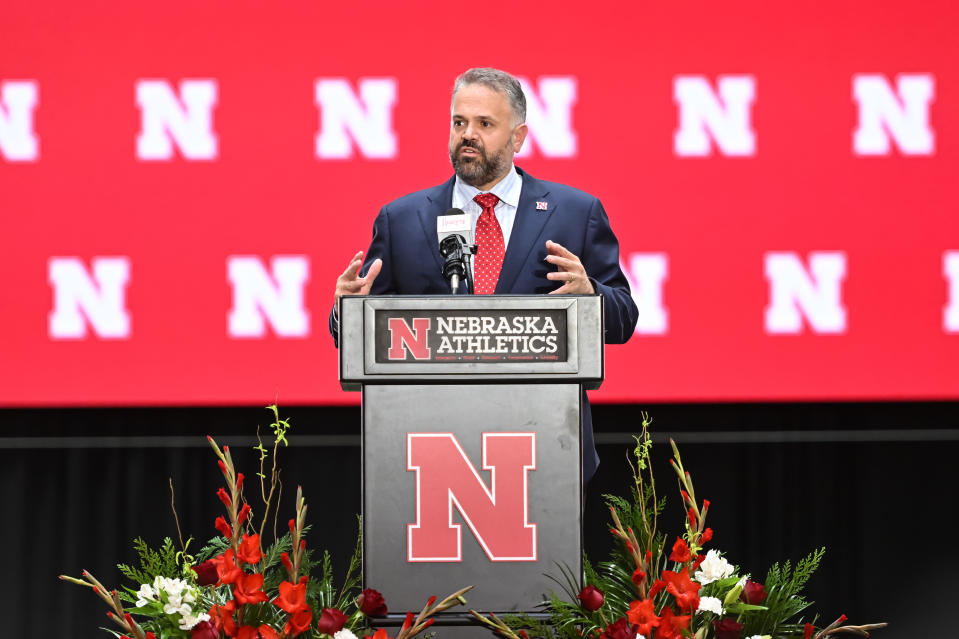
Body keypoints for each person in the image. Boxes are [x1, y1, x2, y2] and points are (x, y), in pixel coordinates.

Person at [329, 67, 638, 482]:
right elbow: (358, 332)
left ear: (518, 138)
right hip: (429, 453)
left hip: (544, 449)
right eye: (459, 122)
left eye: (484, 124)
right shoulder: (401, 220)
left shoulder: (575, 214)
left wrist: (590, 296)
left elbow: (624, 318)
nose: (467, 134)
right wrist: (345, 311)